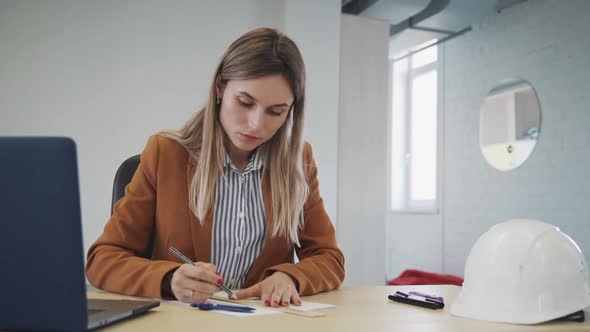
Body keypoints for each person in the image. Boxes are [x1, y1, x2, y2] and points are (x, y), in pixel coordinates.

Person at [86, 28, 345, 308]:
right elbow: (103, 259)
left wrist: (290, 277)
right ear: (220, 88)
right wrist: (169, 278)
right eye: (245, 103)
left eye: (276, 111)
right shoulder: (166, 154)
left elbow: (329, 258)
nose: (257, 124)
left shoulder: (298, 162)